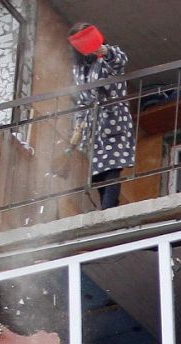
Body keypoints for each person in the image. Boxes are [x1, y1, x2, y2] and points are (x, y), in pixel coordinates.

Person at [70, 22, 136, 210]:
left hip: (113, 117)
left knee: (112, 166)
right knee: (97, 172)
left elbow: (121, 61)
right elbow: (82, 100)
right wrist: (78, 125)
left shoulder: (107, 57)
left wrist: (103, 50)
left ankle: (108, 209)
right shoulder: (79, 69)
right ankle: (108, 207)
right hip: (92, 125)